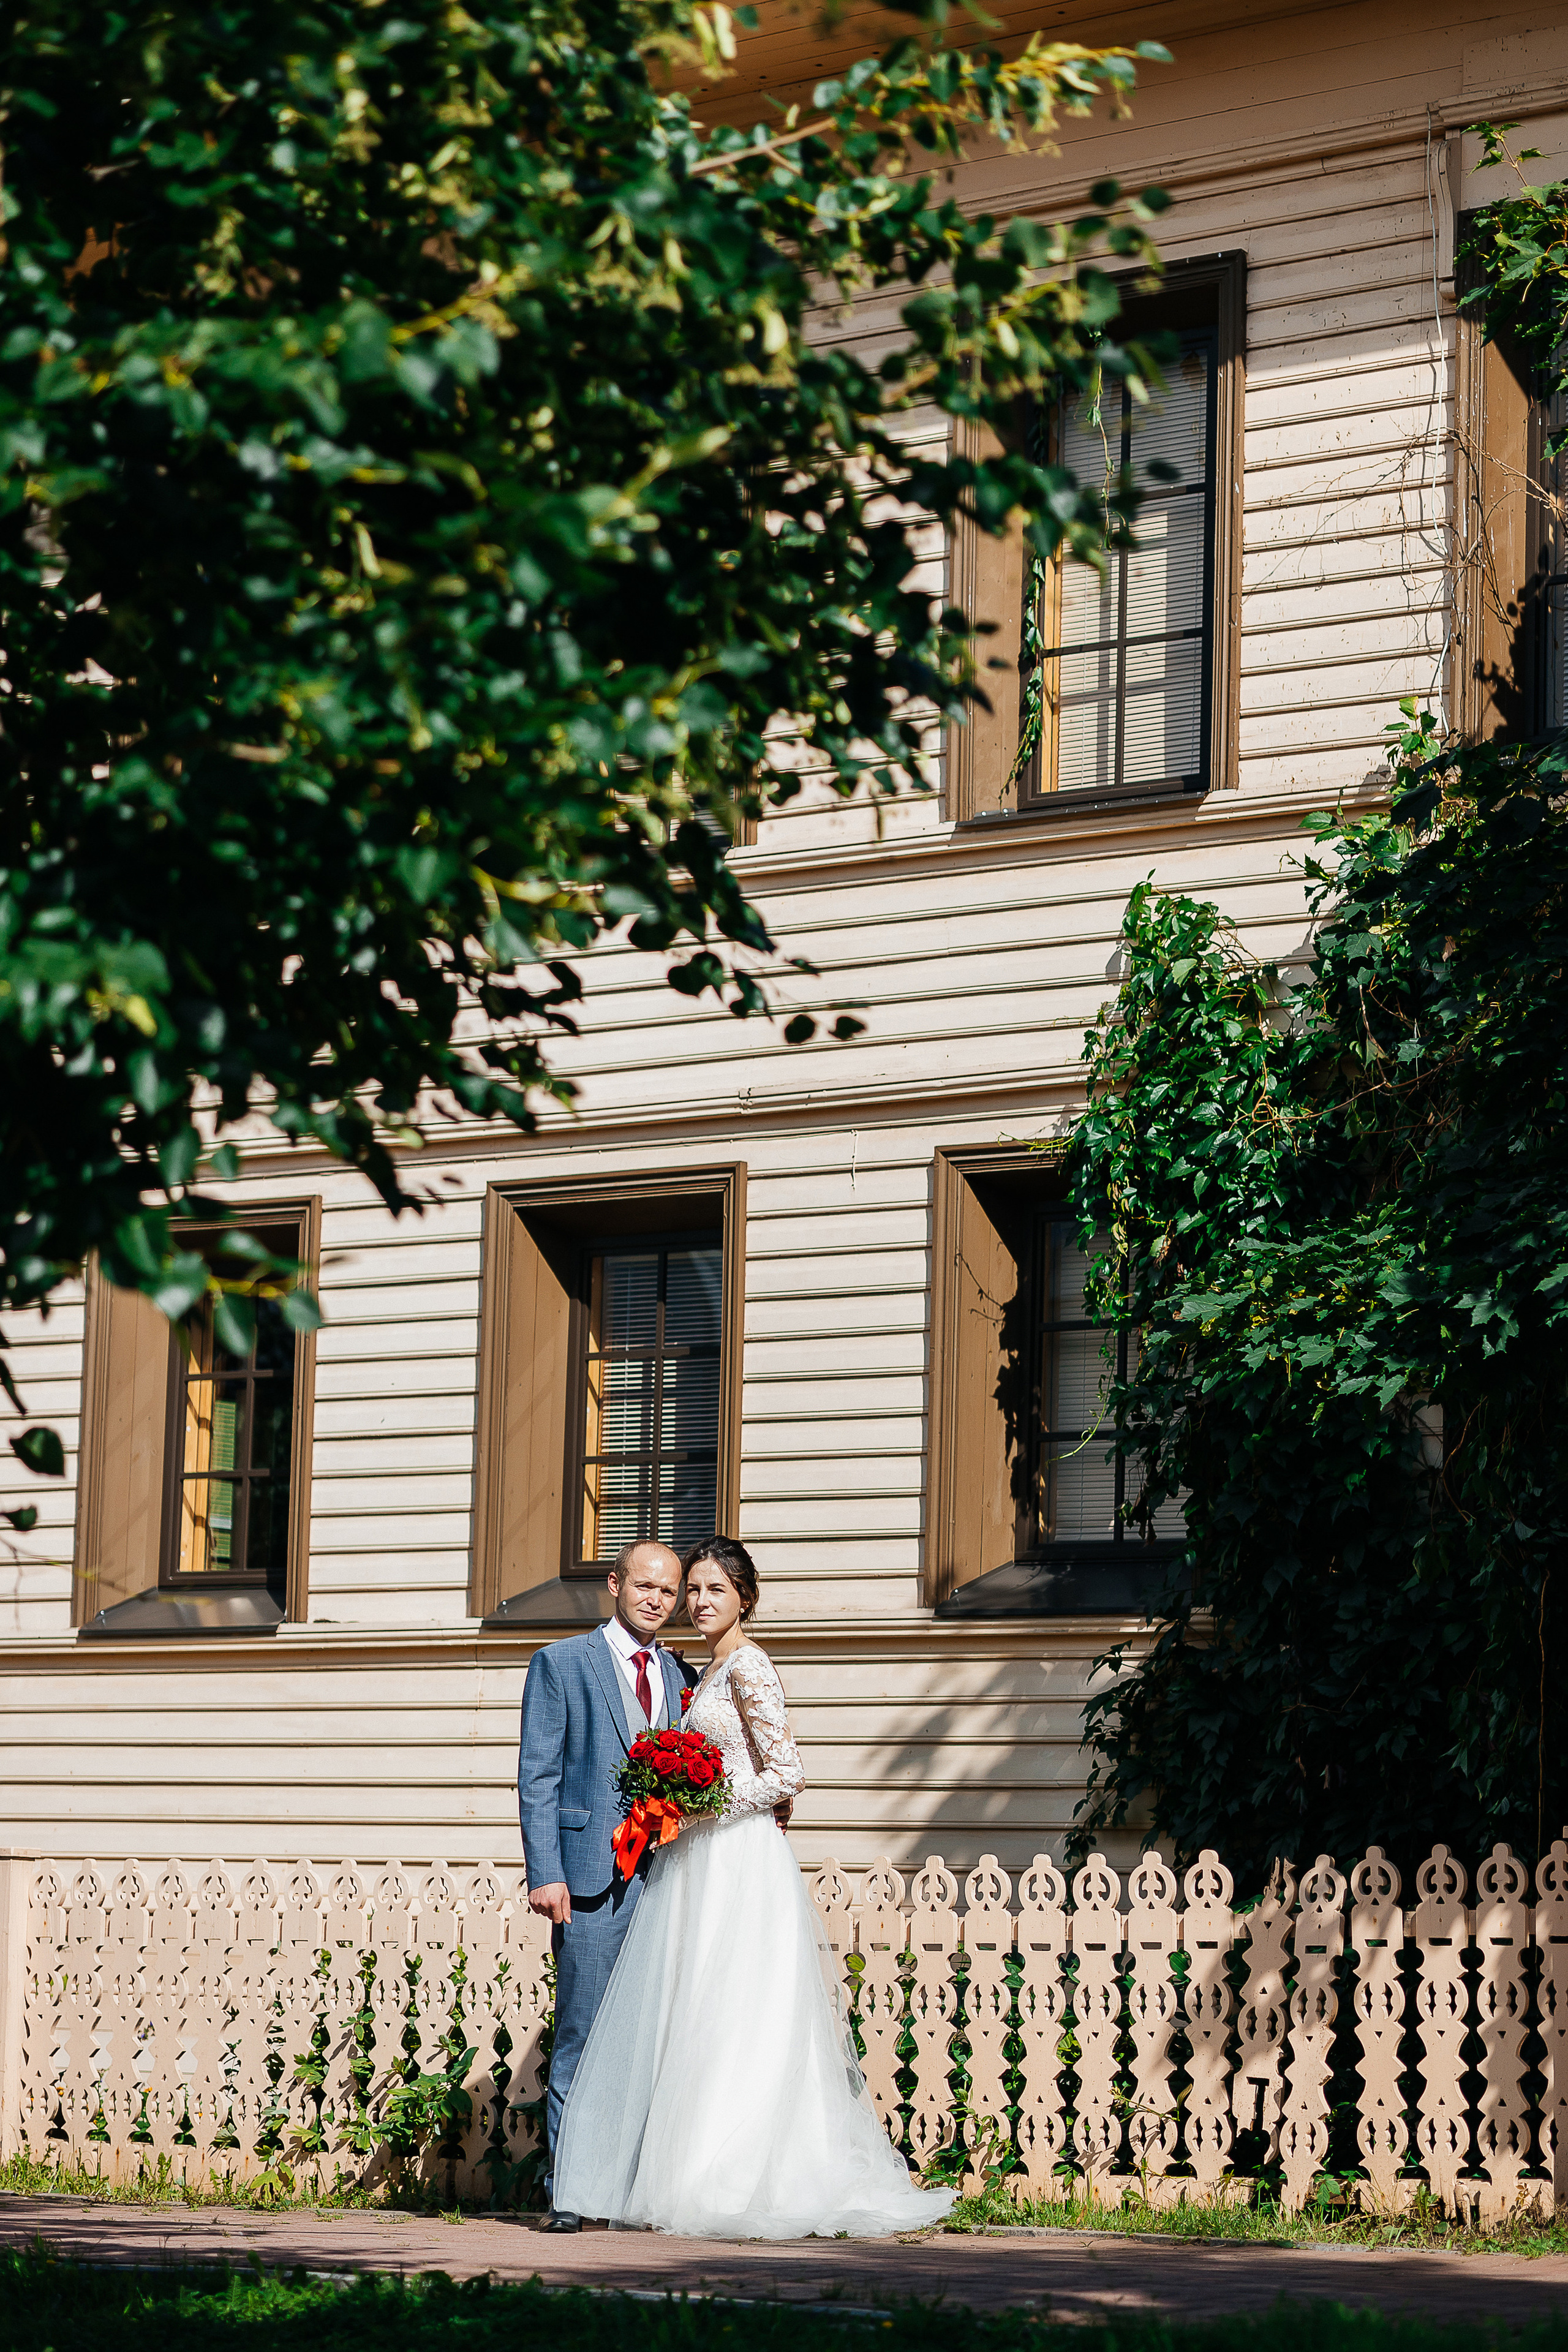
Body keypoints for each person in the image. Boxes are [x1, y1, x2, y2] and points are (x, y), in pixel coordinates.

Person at [551, 1536, 957, 2240]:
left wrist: (700, 1803)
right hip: (697, 1862)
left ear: (746, 1598)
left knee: (738, 2015)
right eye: (694, 1590)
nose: (698, 1602)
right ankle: (688, 2174)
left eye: (715, 1590)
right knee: (699, 2018)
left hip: (734, 1859)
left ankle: (738, 2178)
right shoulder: (701, 1673)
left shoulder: (750, 1667)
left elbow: (784, 1773)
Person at [516, 1537, 695, 2231]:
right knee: (583, 2036)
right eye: (644, 1585)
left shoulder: (682, 1675)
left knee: (651, 2039)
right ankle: (571, 2195)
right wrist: (546, 1872)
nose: (657, 1598)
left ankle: (628, 2191)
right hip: (589, 1881)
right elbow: (539, 1775)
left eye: (670, 1591)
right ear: (614, 1585)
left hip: (668, 1879)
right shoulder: (563, 1664)